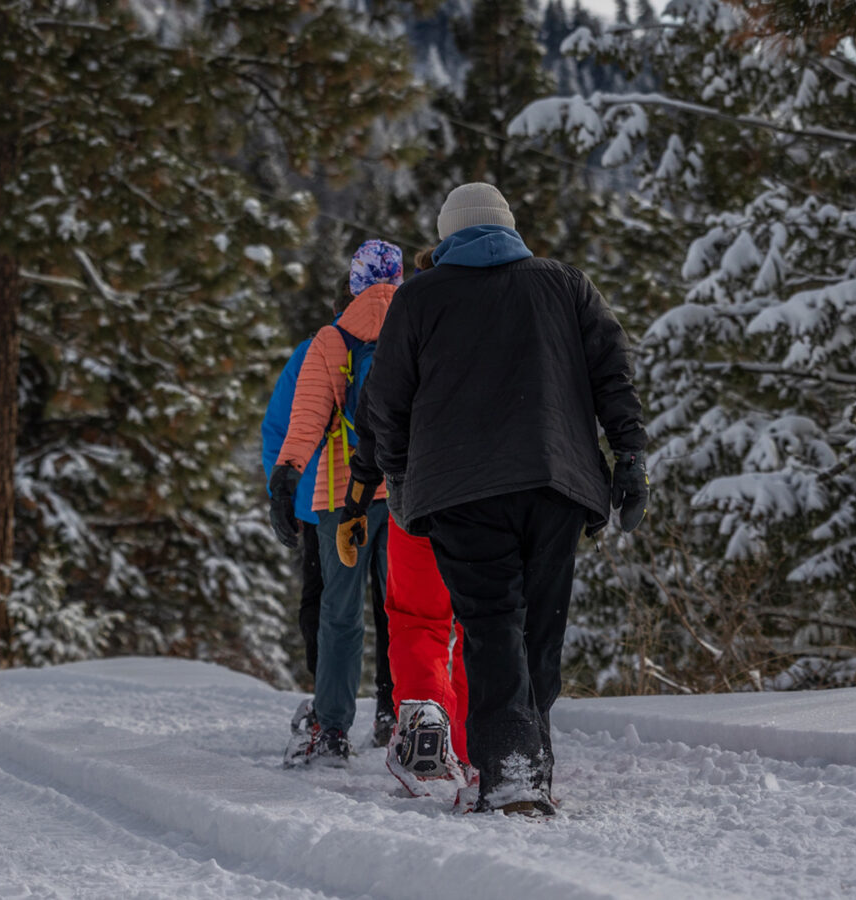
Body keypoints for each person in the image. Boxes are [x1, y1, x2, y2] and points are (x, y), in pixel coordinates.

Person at [365, 184, 648, 816]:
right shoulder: (566, 285)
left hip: (461, 491)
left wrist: (402, 477)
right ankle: (530, 764)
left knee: (493, 628)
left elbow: (386, 404)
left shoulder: (420, 297)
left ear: (447, 236)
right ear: (508, 227)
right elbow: (613, 375)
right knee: (540, 630)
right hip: (557, 483)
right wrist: (629, 458)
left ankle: (511, 772)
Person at [338, 249, 472, 799]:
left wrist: (356, 496)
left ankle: (422, 715)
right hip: (485, 494)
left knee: (417, 616)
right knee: (480, 621)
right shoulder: (493, 323)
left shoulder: (406, 322)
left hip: (413, 494)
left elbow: (375, 416)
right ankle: (471, 743)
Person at [269, 239, 402, 765]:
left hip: (342, 494)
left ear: (354, 283)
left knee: (340, 614)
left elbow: (307, 418)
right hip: (406, 493)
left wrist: (286, 476)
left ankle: (331, 731)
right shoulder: (419, 325)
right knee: (408, 612)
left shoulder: (333, 338)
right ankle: (404, 717)